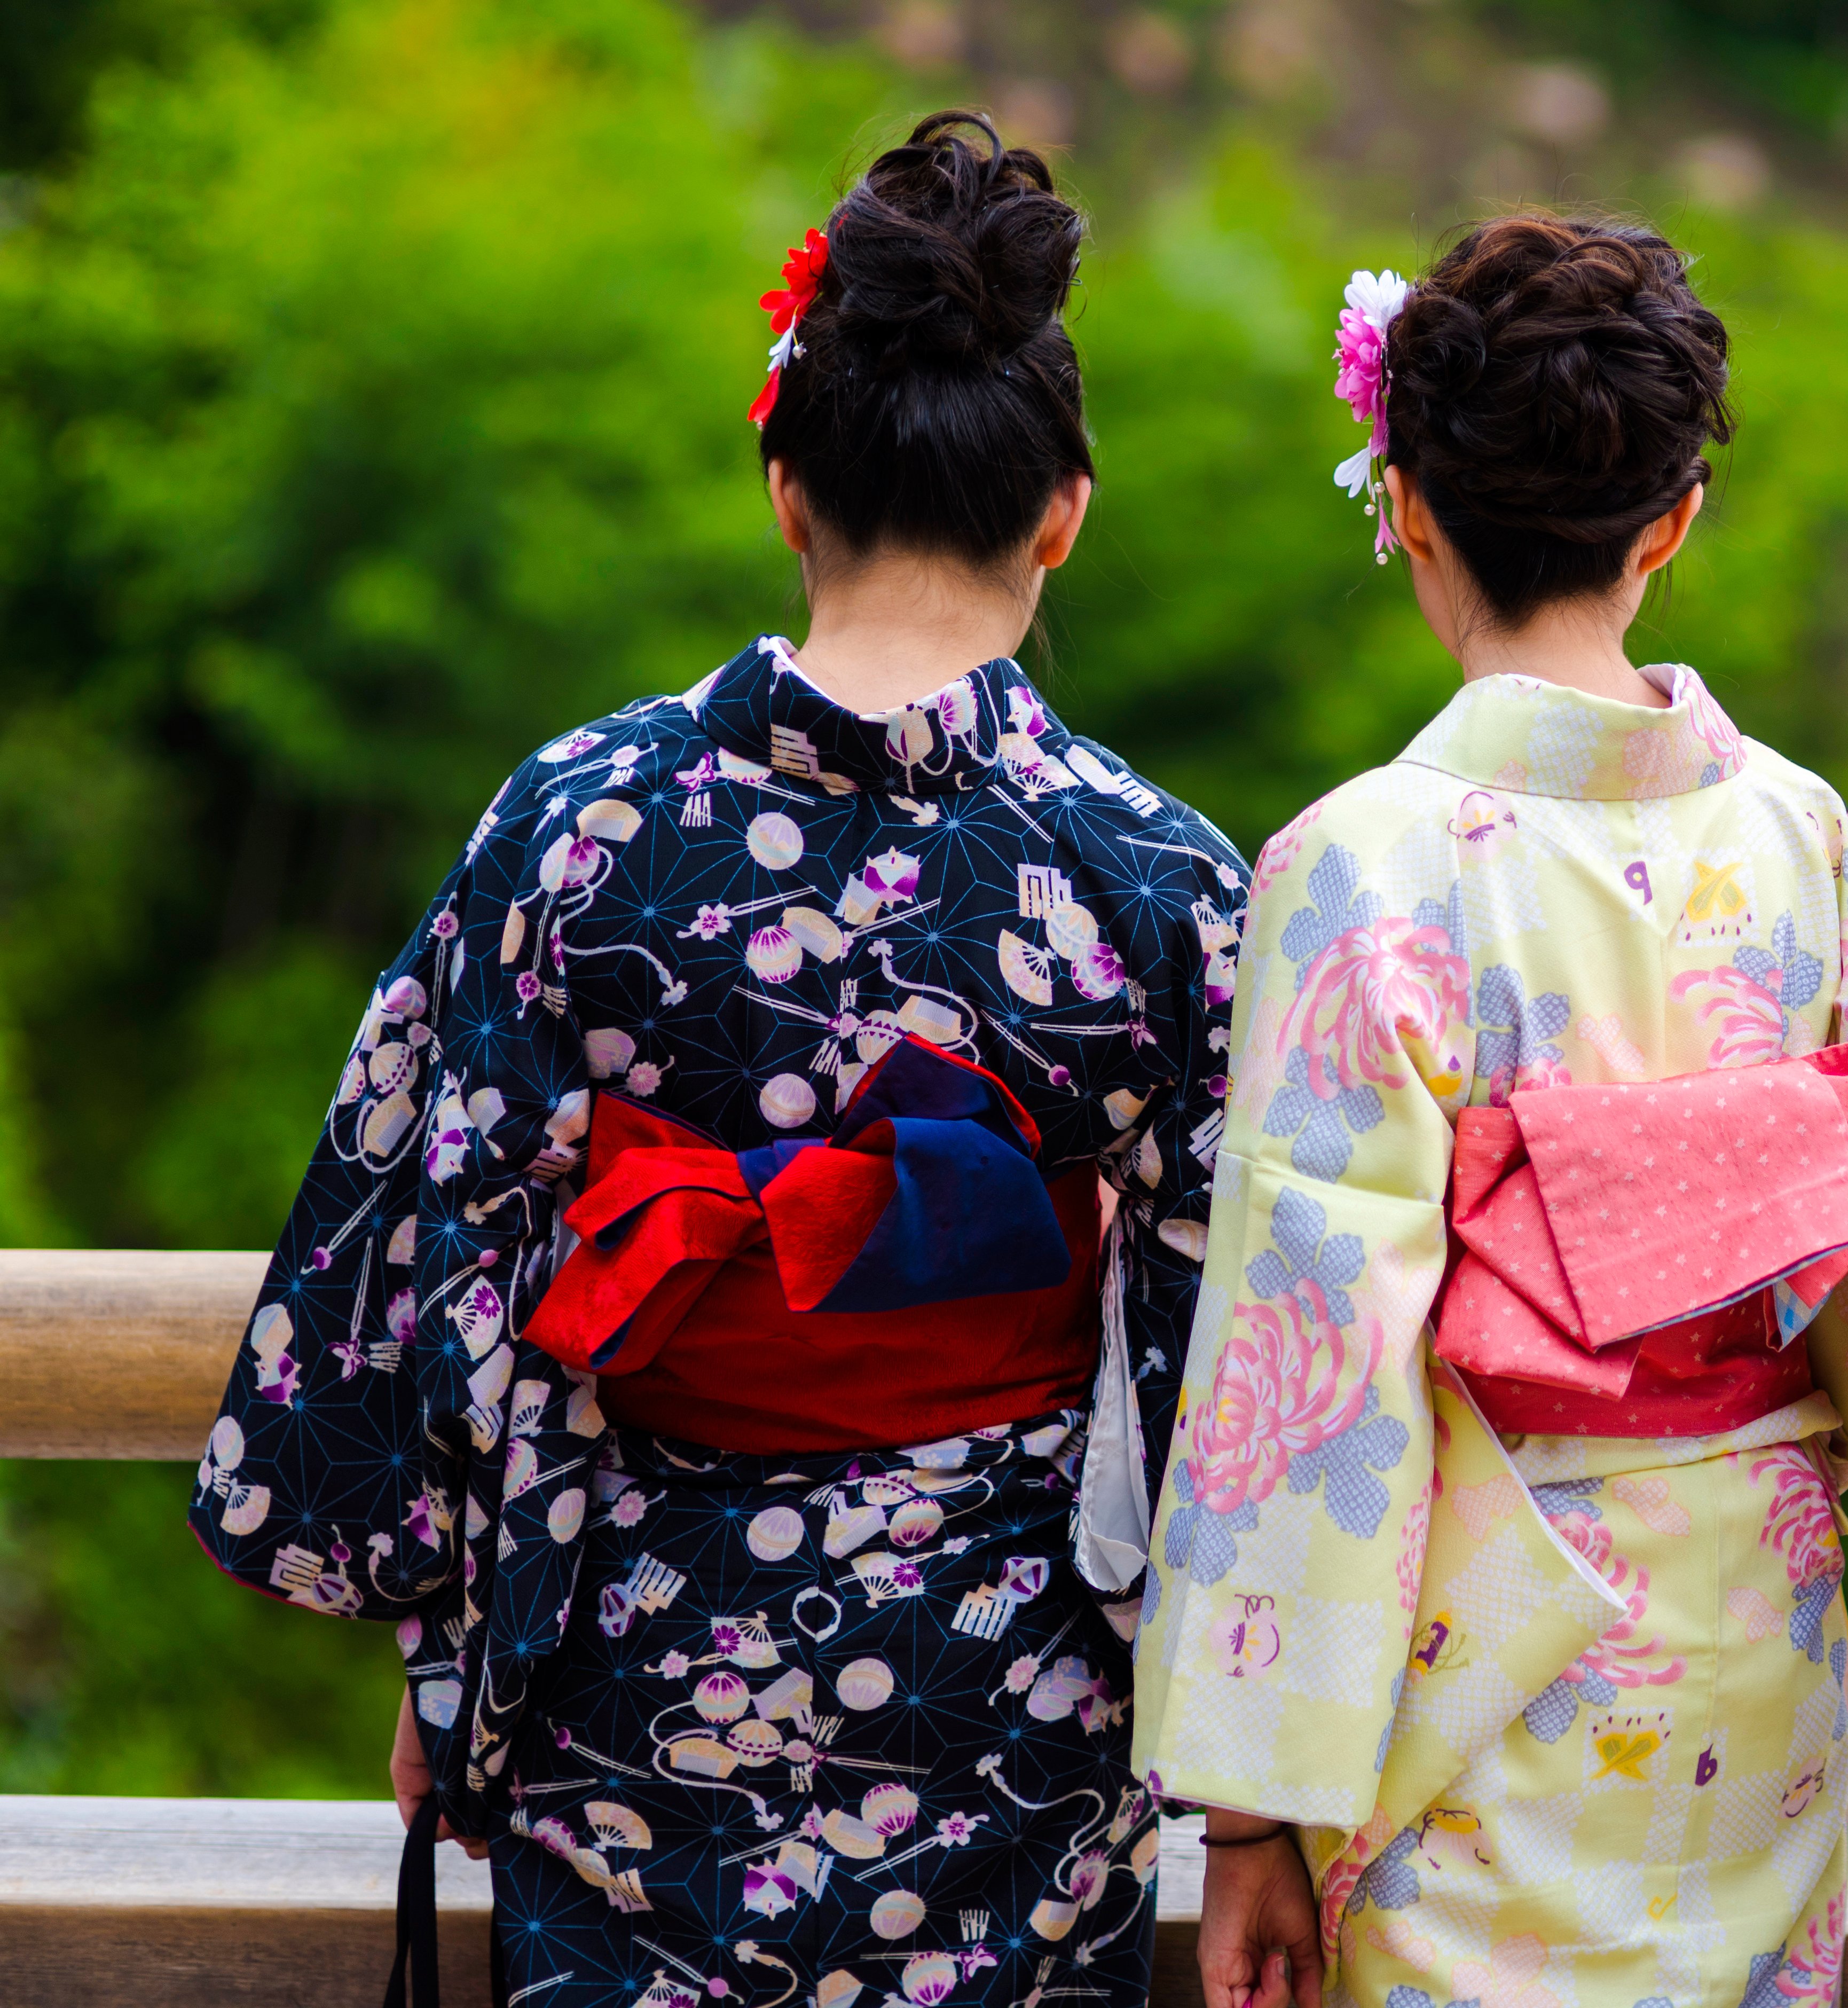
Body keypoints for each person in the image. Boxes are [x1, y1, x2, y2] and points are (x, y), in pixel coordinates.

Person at [187, 112, 1246, 2008]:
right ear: (1064, 511)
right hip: (1007, 1696)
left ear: (785, 484)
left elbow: (452, 1246)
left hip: (632, 1660)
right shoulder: (1153, 876)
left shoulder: (579, 822)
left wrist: (454, 1664)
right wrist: (1250, 1790)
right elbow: (1225, 1355)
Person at [1133, 216, 1848, 2008]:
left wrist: (1253, 1816)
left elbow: (1308, 1352)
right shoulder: (1800, 830)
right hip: (1752, 1608)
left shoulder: (1368, 862)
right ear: (1673, 523)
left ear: (1400, 501)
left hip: (1490, 1626)